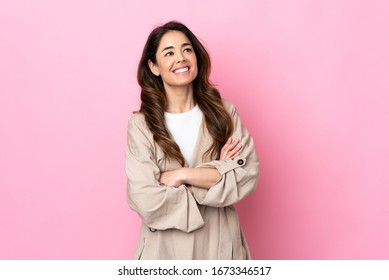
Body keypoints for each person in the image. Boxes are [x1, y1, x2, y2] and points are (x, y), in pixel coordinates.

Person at [125, 21, 259, 260]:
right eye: (169, 53)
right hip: (164, 251)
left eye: (187, 49)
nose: (181, 58)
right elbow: (146, 199)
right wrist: (218, 174)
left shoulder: (224, 113)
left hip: (220, 245)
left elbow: (246, 174)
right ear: (154, 66)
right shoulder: (141, 126)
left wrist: (181, 176)